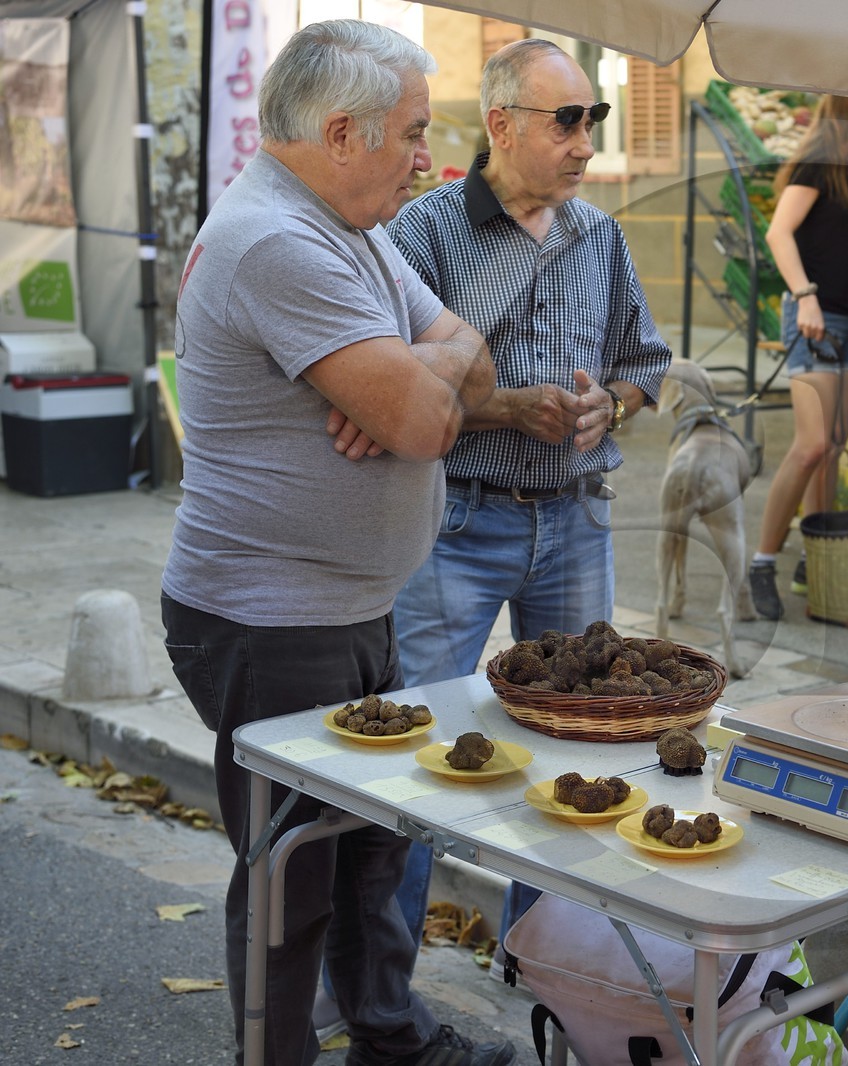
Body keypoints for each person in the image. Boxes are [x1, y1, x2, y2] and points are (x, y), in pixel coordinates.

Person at [159, 19, 515, 1066]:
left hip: (341, 604)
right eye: (412, 134)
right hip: (270, 618)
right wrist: (417, 386)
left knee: (366, 844)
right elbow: (424, 421)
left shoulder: (347, 226)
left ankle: (389, 1037)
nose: (429, 159)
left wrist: (420, 370)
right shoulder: (277, 238)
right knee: (291, 871)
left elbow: (472, 368)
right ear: (342, 129)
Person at [385, 38, 671, 952]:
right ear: (501, 125)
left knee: (579, 749)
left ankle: (545, 975)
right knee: (422, 752)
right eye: (568, 121)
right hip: (460, 521)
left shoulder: (600, 231)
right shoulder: (424, 230)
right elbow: (385, 386)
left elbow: (645, 362)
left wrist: (607, 407)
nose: (586, 142)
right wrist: (506, 407)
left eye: (595, 119)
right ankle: (378, 1001)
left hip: (578, 523)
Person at [747, 95, 848, 620]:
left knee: (834, 446)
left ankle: (816, 553)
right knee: (810, 447)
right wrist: (805, 294)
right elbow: (778, 232)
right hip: (816, 319)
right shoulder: (819, 164)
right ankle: (763, 562)